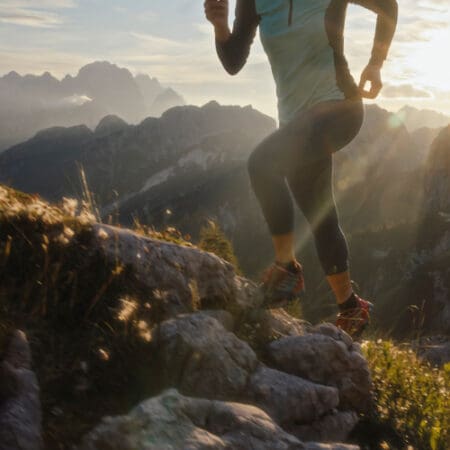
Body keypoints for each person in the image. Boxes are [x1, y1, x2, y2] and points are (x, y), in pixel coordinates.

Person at [205, 0, 398, 338]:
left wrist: (375, 64)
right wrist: (220, 26)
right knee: (321, 216)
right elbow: (234, 61)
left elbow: (388, 5)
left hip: (339, 106)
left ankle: (286, 269)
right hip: (296, 122)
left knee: (262, 164)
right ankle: (351, 307)